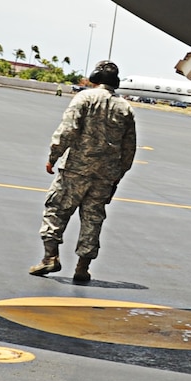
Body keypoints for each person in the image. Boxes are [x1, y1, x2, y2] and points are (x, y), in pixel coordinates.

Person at [31, 61, 139, 284]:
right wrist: (119, 173)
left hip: (76, 170)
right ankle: (83, 267)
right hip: (105, 176)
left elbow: (68, 129)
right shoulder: (125, 108)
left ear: (95, 76)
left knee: (56, 210)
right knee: (93, 218)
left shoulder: (84, 98)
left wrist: (53, 155)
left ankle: (50, 257)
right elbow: (129, 147)